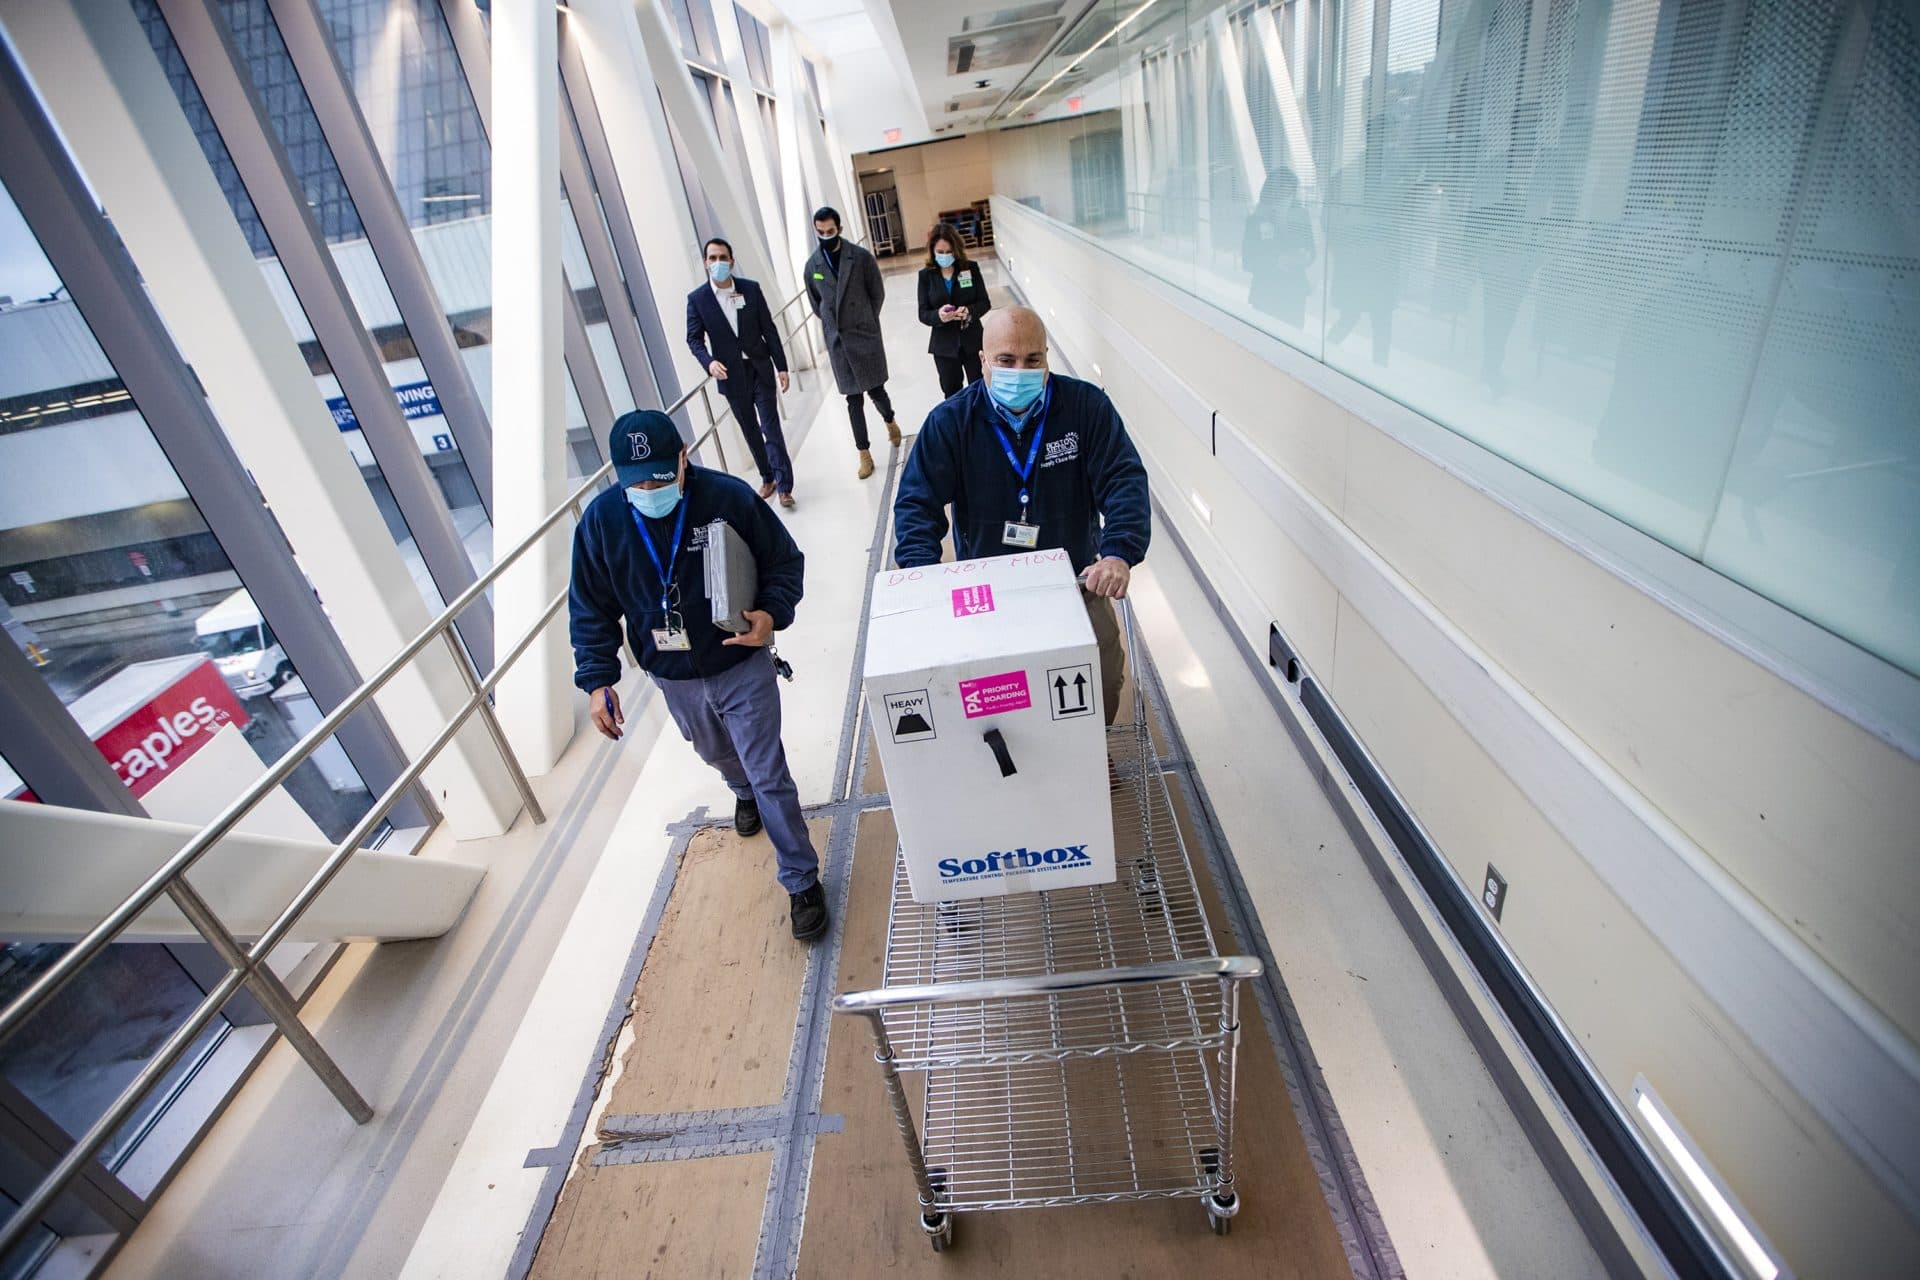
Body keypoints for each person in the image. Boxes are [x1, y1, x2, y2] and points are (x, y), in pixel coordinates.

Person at [569, 409, 829, 943]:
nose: (650, 488)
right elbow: (590, 608)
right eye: (636, 481)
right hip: (674, 676)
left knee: (769, 773)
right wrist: (598, 679)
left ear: (684, 458)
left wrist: (770, 615)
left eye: (662, 476)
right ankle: (739, 789)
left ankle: (801, 881)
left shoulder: (728, 498)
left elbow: (785, 562)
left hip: (739, 662)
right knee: (716, 754)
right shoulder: (601, 523)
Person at [893, 307, 1148, 724]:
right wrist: (925, 577)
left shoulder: (1085, 409)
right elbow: (916, 504)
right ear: (982, 361)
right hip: (990, 595)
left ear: (1047, 358)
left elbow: (1123, 479)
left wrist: (1119, 551)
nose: (1020, 371)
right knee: (1002, 698)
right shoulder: (951, 422)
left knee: (1099, 682)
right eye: (1006, 361)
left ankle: (1092, 752)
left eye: (1033, 360)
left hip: (1076, 582)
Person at [685, 238, 795, 508]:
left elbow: (768, 329)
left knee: (771, 428)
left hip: (760, 368)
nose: (718, 263)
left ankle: (784, 487)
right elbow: (694, 339)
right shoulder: (698, 299)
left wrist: (781, 366)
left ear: (732, 262)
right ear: (705, 263)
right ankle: (767, 476)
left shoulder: (751, 290)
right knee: (750, 429)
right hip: (731, 376)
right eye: (712, 258)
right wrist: (709, 362)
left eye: (723, 258)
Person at [803, 206, 899, 480]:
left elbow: (876, 293)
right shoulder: (813, 266)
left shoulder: (860, 257)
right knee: (853, 401)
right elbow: (815, 303)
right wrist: (833, 325)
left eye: (830, 232)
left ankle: (890, 420)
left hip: (863, 335)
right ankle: (864, 454)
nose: (825, 236)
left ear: (840, 229)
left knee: (876, 391)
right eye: (820, 233)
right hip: (839, 343)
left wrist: (865, 321)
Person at [917, 222, 992, 398]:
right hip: (944, 346)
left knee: (980, 388)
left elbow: (984, 302)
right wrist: (939, 316)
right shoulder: (926, 276)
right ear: (932, 251)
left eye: (948, 252)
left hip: (973, 341)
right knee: (951, 392)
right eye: (940, 252)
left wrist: (969, 312)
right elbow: (923, 313)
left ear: (956, 250)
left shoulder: (970, 268)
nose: (944, 256)